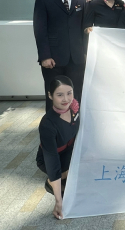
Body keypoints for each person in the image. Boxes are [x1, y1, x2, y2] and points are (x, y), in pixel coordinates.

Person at [33, 0, 86, 111]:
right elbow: (40, 30)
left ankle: (74, 124)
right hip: (53, 60)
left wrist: (85, 53)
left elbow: (83, 30)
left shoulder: (81, 0)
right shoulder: (43, 0)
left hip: (76, 59)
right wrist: (45, 56)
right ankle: (54, 125)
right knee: (54, 95)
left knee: (75, 95)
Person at [36, 76, 80, 219]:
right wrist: (58, 201)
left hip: (70, 150)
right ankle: (52, 182)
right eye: (60, 95)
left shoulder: (74, 109)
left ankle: (66, 175)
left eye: (69, 93)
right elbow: (52, 159)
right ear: (50, 95)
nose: (66, 99)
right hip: (51, 157)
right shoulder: (47, 124)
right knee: (71, 172)